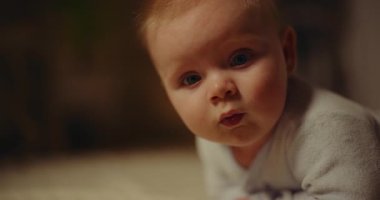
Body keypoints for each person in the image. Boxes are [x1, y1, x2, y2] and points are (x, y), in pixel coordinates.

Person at [136, 0, 380, 199]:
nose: (219, 89)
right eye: (191, 79)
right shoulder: (212, 140)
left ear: (286, 54)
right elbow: (226, 192)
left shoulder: (330, 129)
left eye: (240, 59)